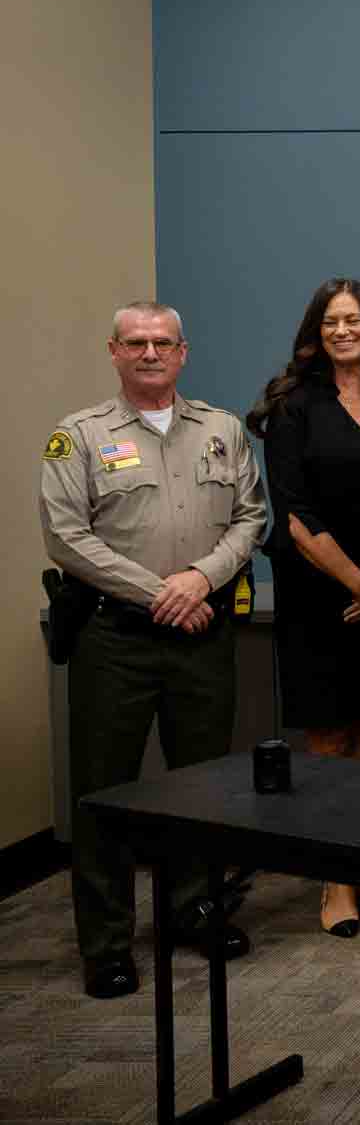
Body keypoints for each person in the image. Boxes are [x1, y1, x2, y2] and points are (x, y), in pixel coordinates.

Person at [40, 300, 268, 999]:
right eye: (135, 342)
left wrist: (199, 579)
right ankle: (107, 943)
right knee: (103, 790)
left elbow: (251, 516)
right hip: (116, 637)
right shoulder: (76, 436)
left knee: (203, 781)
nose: (149, 353)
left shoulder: (223, 430)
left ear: (183, 351)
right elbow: (65, 535)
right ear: (113, 350)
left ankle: (193, 909)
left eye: (162, 342)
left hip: (201, 632)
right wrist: (156, 591)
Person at [248, 278, 360, 938]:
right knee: (329, 740)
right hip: (321, 594)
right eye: (330, 321)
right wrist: (356, 584)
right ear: (315, 331)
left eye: (353, 319)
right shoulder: (293, 404)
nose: (342, 330)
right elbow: (293, 516)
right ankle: (335, 880)